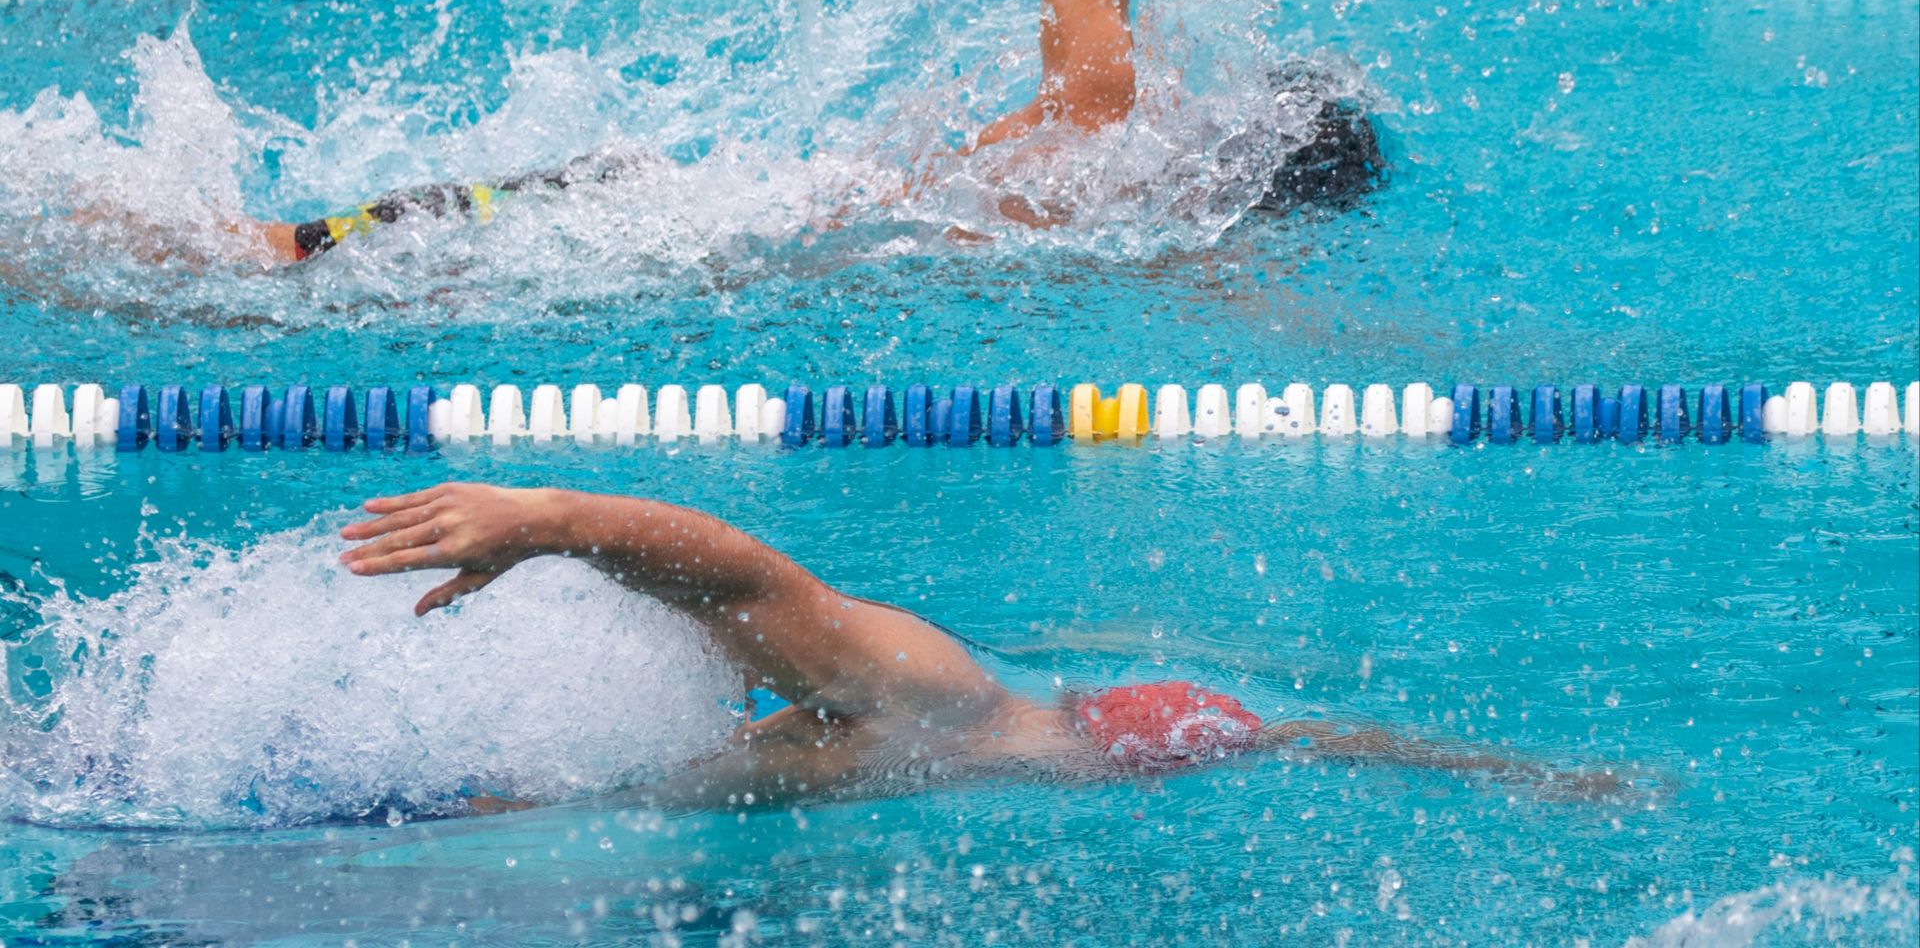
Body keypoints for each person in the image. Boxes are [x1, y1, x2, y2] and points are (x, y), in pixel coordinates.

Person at [251, 0, 1382, 263]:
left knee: (292, 264)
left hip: (698, 221)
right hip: (721, 250)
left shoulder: (1092, 127)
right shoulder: (1136, 232)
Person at [339, 482, 1627, 812]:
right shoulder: (936, 704)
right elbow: (748, 570)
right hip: (934, 701)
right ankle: (557, 516)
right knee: (747, 614)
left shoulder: (930, 743)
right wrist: (550, 522)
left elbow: (1322, 737)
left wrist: (1509, 771)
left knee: (599, 789)